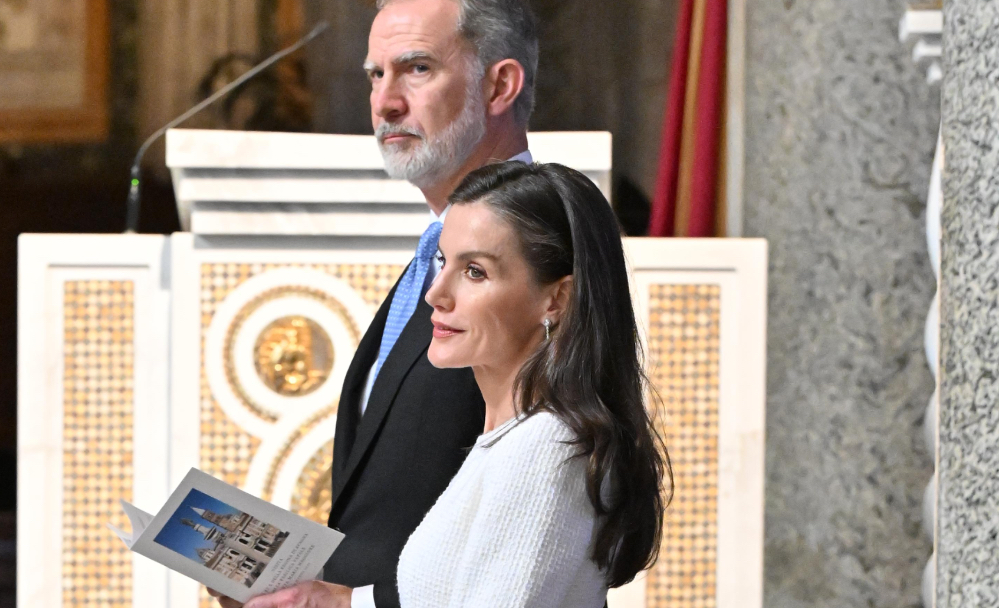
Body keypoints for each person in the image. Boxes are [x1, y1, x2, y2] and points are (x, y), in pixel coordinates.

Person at [211, 0, 542, 608]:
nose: (386, 101)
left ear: (499, 85)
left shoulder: (538, 252)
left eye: (417, 68)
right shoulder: (437, 253)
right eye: (375, 74)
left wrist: (345, 600)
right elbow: (404, 499)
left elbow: (529, 515)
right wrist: (293, 576)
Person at [229, 161, 671, 608]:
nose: (435, 294)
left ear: (556, 299)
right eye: (443, 261)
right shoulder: (509, 438)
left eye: (475, 271)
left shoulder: (545, 446)